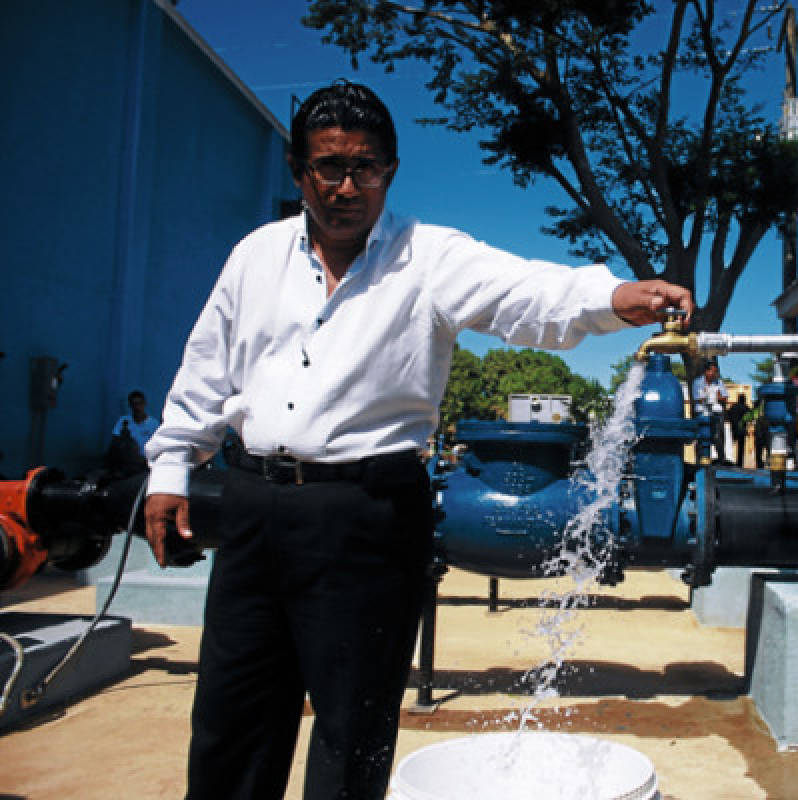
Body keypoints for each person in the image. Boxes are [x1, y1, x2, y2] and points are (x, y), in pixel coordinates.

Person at [142, 81, 695, 800]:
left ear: (391, 171)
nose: (347, 187)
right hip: (253, 511)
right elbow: (206, 369)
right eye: (328, 168)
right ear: (298, 171)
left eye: (365, 168)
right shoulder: (256, 256)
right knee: (231, 721)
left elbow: (523, 293)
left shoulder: (426, 258)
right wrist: (170, 467)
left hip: (367, 518)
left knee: (352, 731)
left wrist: (615, 298)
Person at [107, 390, 160, 476]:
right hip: (126, 462)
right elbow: (114, 442)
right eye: (134, 404)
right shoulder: (123, 421)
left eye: (139, 403)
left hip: (145, 463)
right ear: (130, 406)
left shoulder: (154, 424)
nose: (137, 407)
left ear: (144, 404)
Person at [691, 359, 729, 463]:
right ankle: (699, 460)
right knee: (701, 438)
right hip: (702, 413)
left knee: (718, 438)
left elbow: (725, 398)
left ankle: (721, 460)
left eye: (715, 372)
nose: (714, 374)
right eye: (712, 371)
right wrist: (706, 396)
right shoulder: (697, 382)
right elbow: (696, 397)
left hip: (716, 414)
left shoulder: (719, 383)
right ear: (706, 372)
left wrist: (718, 397)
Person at [725, 392, 751, 467]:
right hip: (742, 430)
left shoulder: (733, 407)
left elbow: (727, 415)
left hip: (733, 429)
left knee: (729, 446)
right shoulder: (746, 408)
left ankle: (728, 461)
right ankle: (739, 464)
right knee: (741, 448)